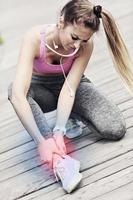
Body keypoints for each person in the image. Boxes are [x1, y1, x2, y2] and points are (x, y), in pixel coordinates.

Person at [8, 0, 133, 193]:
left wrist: (59, 130)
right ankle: (59, 160)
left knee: (115, 128)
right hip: (41, 91)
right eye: (74, 37)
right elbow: (18, 95)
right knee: (14, 89)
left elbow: (69, 88)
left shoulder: (84, 44)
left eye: (83, 40)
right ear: (61, 22)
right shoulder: (34, 38)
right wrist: (43, 142)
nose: (77, 45)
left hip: (70, 88)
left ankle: (70, 119)